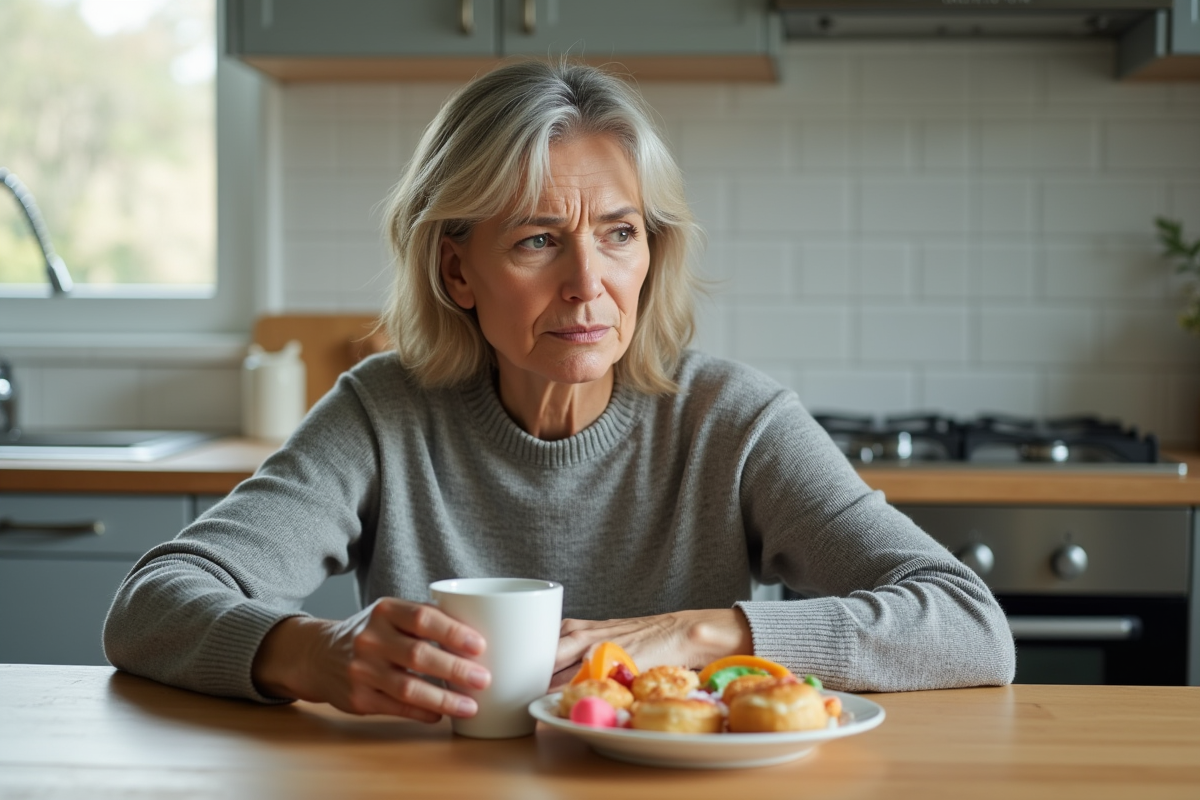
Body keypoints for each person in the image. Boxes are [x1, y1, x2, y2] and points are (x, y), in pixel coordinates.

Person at [103, 59, 1014, 723]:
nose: (589, 285)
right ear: (457, 271)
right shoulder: (384, 414)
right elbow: (151, 603)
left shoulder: (732, 421)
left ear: (652, 252)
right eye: (538, 240)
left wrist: (698, 637)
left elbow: (971, 625)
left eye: (619, 234)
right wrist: (315, 653)